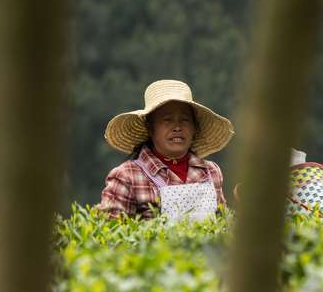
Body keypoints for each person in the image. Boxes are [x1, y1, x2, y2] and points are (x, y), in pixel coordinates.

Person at [98, 79, 234, 219]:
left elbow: (222, 226)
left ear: (194, 128)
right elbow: (110, 232)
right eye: (167, 120)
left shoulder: (211, 172)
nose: (177, 127)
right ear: (150, 129)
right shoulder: (127, 176)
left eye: (185, 120)